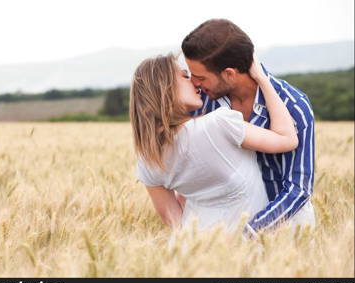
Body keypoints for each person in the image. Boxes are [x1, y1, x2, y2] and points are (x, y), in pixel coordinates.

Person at [130, 53, 300, 237]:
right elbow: (287, 139)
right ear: (165, 88)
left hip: (197, 254)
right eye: (185, 76)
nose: (195, 82)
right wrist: (263, 79)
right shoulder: (219, 123)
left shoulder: (147, 158)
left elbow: (177, 223)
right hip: (246, 249)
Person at [181, 19, 316, 237]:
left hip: (284, 233)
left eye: (200, 76)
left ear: (229, 74)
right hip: (220, 231)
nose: (194, 82)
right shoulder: (204, 102)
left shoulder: (293, 105)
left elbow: (298, 189)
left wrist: (248, 233)